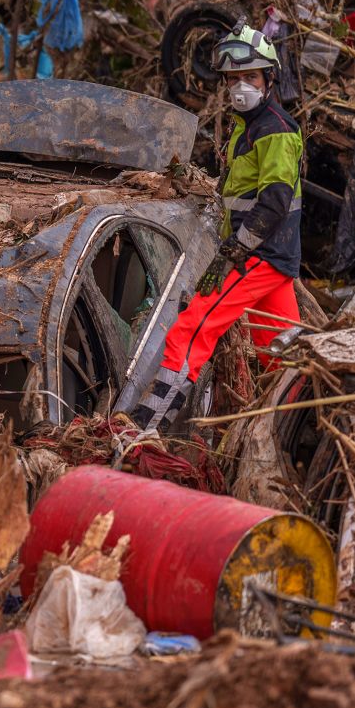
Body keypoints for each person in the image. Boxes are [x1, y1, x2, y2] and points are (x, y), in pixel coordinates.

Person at [128, 25, 303, 432]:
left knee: (191, 330)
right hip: (273, 257)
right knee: (282, 355)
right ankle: (298, 426)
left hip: (259, 254)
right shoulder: (249, 124)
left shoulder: (275, 130)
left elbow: (275, 201)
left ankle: (145, 427)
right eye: (234, 80)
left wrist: (233, 252)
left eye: (251, 77)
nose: (241, 87)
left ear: (270, 79)